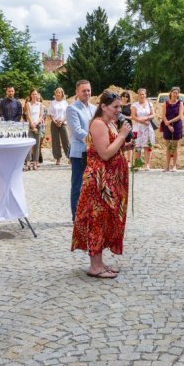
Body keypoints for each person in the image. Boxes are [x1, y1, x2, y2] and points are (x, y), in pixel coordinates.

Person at [71, 91, 132, 278]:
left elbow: (111, 148)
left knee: (105, 220)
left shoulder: (110, 123)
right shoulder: (98, 123)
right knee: (97, 220)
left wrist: (125, 145)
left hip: (110, 180)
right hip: (100, 181)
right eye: (115, 107)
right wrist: (122, 136)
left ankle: (100, 262)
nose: (118, 110)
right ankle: (94, 266)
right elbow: (104, 153)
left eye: (120, 107)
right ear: (104, 107)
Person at [66, 80, 96, 219]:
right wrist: (94, 139)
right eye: (84, 90)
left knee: (91, 185)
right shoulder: (72, 109)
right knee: (78, 185)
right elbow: (77, 132)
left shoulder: (94, 108)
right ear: (77, 92)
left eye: (89, 90)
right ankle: (76, 216)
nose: (87, 93)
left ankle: (88, 213)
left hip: (93, 152)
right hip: (79, 153)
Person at [130, 88, 156, 169]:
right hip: (138, 128)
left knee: (147, 146)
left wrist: (146, 119)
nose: (142, 96)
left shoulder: (149, 104)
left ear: (146, 95)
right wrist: (141, 121)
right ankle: (138, 164)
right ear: (138, 95)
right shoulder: (134, 105)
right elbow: (133, 116)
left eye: (143, 94)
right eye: (140, 94)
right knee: (137, 146)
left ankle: (147, 164)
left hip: (147, 127)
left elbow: (153, 114)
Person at [161, 87, 184, 172]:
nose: (175, 94)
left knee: (174, 147)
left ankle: (174, 166)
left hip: (176, 126)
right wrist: (167, 124)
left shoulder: (180, 103)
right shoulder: (165, 103)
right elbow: (163, 115)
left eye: (176, 93)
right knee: (168, 147)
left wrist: (169, 122)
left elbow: (180, 116)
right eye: (174, 92)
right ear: (170, 93)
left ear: (178, 94)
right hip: (167, 126)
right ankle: (167, 166)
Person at [24, 89, 45, 170]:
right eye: (33, 94)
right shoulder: (28, 104)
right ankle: (28, 162)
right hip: (30, 126)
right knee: (29, 145)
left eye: (36, 94)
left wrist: (36, 124)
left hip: (38, 126)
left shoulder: (40, 105)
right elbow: (28, 115)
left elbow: (41, 116)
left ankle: (35, 162)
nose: (34, 95)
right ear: (30, 95)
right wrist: (32, 125)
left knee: (37, 145)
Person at [48, 87, 70, 164]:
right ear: (55, 94)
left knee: (66, 140)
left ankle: (69, 157)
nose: (58, 94)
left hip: (63, 123)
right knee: (55, 141)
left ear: (62, 94)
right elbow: (50, 114)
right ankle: (58, 158)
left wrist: (62, 121)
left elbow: (67, 113)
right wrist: (54, 121)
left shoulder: (65, 103)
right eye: (57, 92)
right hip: (54, 123)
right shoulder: (52, 102)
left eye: (59, 92)